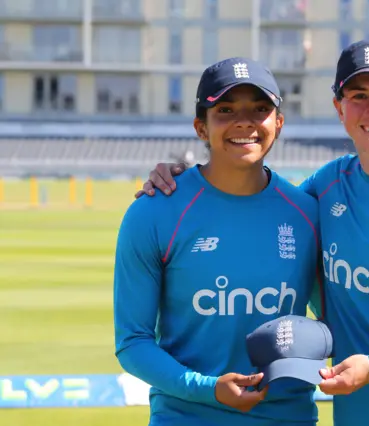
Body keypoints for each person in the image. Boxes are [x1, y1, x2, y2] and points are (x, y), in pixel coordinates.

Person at [135, 39, 369, 426]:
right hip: (356, 414)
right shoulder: (326, 186)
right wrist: (178, 179)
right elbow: (254, 196)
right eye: (359, 95)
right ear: (339, 107)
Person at [113, 57, 323, 426]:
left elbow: (337, 320)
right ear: (200, 127)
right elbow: (133, 342)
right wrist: (207, 388)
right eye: (225, 110)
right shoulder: (153, 212)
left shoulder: (308, 213)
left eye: (260, 109)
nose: (244, 121)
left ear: (279, 123)